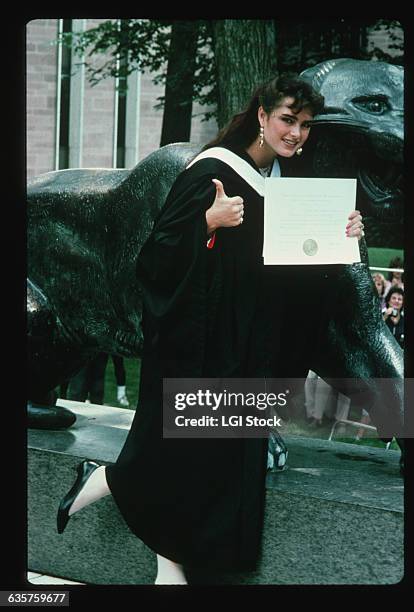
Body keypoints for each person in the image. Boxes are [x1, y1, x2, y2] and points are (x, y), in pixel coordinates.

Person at [56, 74, 364, 584]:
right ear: (261, 116)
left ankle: (119, 497)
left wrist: (343, 236)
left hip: (249, 351)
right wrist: (208, 222)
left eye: (306, 125)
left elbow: (297, 271)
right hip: (200, 344)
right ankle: (165, 564)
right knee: (187, 457)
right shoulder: (213, 171)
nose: (297, 134)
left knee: (216, 466)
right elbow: (153, 261)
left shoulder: (289, 182)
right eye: (288, 120)